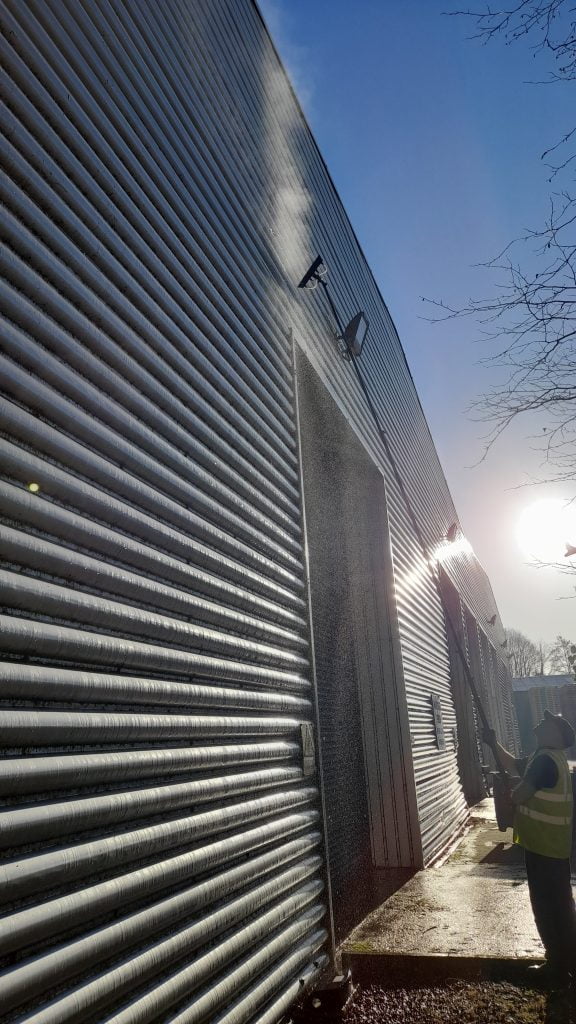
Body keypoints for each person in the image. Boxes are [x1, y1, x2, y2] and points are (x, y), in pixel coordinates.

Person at [484, 710, 576, 988]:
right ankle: (564, 964)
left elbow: (520, 793)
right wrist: (493, 744)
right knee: (560, 907)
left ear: (555, 733)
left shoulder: (546, 759)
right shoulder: (545, 758)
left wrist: (511, 796)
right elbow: (514, 765)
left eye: (547, 720)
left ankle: (558, 969)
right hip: (550, 847)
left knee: (549, 909)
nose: (540, 721)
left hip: (545, 849)